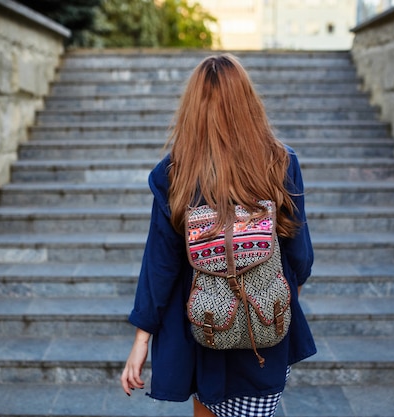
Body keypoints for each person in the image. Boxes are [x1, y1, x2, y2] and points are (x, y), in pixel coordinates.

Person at [120, 54, 316, 417]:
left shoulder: (174, 173)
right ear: (248, 103)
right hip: (266, 328)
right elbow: (300, 256)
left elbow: (160, 264)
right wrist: (277, 295)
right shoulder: (280, 162)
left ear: (192, 109)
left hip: (204, 326)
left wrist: (141, 339)